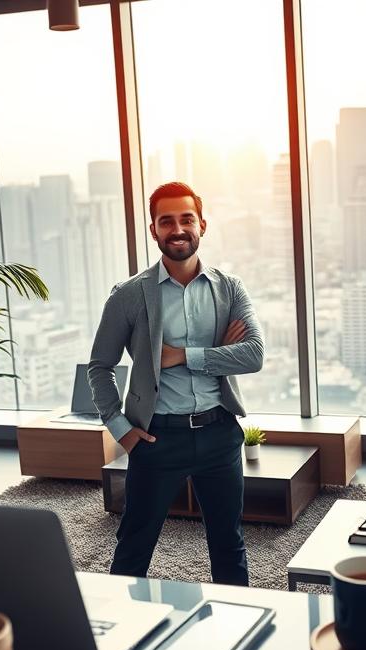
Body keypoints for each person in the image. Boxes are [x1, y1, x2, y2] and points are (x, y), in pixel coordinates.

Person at [88, 181, 264, 586]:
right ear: (154, 230)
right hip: (156, 438)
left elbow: (253, 354)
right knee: (134, 544)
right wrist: (120, 429)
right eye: (166, 221)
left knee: (229, 543)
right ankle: (122, 634)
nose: (178, 229)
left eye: (187, 219)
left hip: (219, 432)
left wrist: (183, 355)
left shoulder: (229, 289)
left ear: (202, 224)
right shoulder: (129, 295)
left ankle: (239, 631)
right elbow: (100, 366)